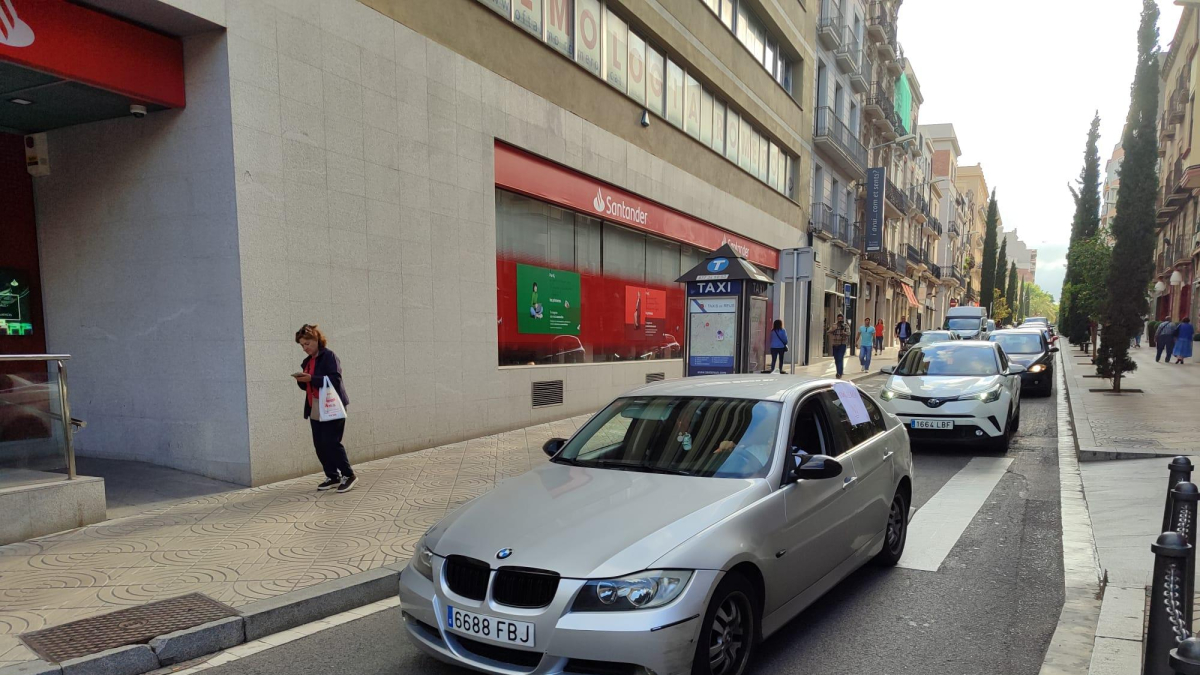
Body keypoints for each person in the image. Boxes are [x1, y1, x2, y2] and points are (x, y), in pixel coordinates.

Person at [293, 324, 356, 493]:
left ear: (316, 340)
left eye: (307, 343)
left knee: (331, 442)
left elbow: (335, 380)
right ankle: (332, 476)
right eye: (302, 345)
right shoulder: (307, 362)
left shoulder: (329, 356)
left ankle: (348, 475)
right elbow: (308, 385)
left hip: (331, 406)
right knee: (319, 444)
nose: (305, 348)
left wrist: (311, 378)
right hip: (314, 406)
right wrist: (302, 380)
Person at [827, 314, 850, 378]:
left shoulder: (845, 325)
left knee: (840, 358)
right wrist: (833, 329)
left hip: (842, 344)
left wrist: (844, 332)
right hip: (835, 343)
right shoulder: (834, 325)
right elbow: (828, 332)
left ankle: (839, 373)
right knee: (836, 359)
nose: (840, 320)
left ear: (842, 319)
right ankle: (839, 371)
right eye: (838, 319)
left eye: (841, 319)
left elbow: (849, 333)